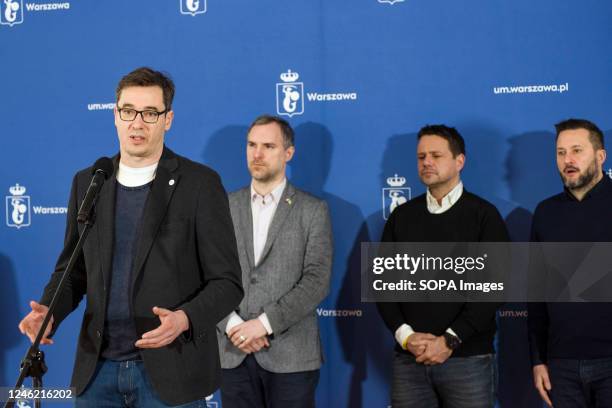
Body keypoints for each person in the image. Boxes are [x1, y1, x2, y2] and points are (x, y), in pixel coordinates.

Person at [17, 67, 244, 407]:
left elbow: (227, 283)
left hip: (170, 370)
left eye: (150, 113)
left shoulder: (199, 184)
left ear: (167, 119)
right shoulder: (90, 182)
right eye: (128, 111)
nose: (137, 123)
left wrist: (183, 319)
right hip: (98, 372)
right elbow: (74, 270)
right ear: (115, 115)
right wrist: (48, 311)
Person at [377, 124, 508, 407]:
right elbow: (384, 286)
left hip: (468, 361)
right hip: (409, 360)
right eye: (421, 156)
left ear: (459, 161)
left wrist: (449, 340)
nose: (426, 162)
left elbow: (494, 289)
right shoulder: (402, 217)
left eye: (436, 155)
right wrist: (406, 337)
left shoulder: (484, 216)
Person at [217, 114, 333, 408]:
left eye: (268, 146)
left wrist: (263, 324)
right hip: (233, 353)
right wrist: (233, 326)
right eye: (251, 145)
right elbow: (207, 275)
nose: (257, 154)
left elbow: (317, 280)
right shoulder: (223, 207)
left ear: (288, 153)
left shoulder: (313, 210)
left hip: (292, 358)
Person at [528, 118, 612, 407]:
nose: (568, 160)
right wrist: (539, 360)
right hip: (561, 367)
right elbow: (537, 294)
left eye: (577, 150)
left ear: (600, 156)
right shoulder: (545, 213)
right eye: (561, 152)